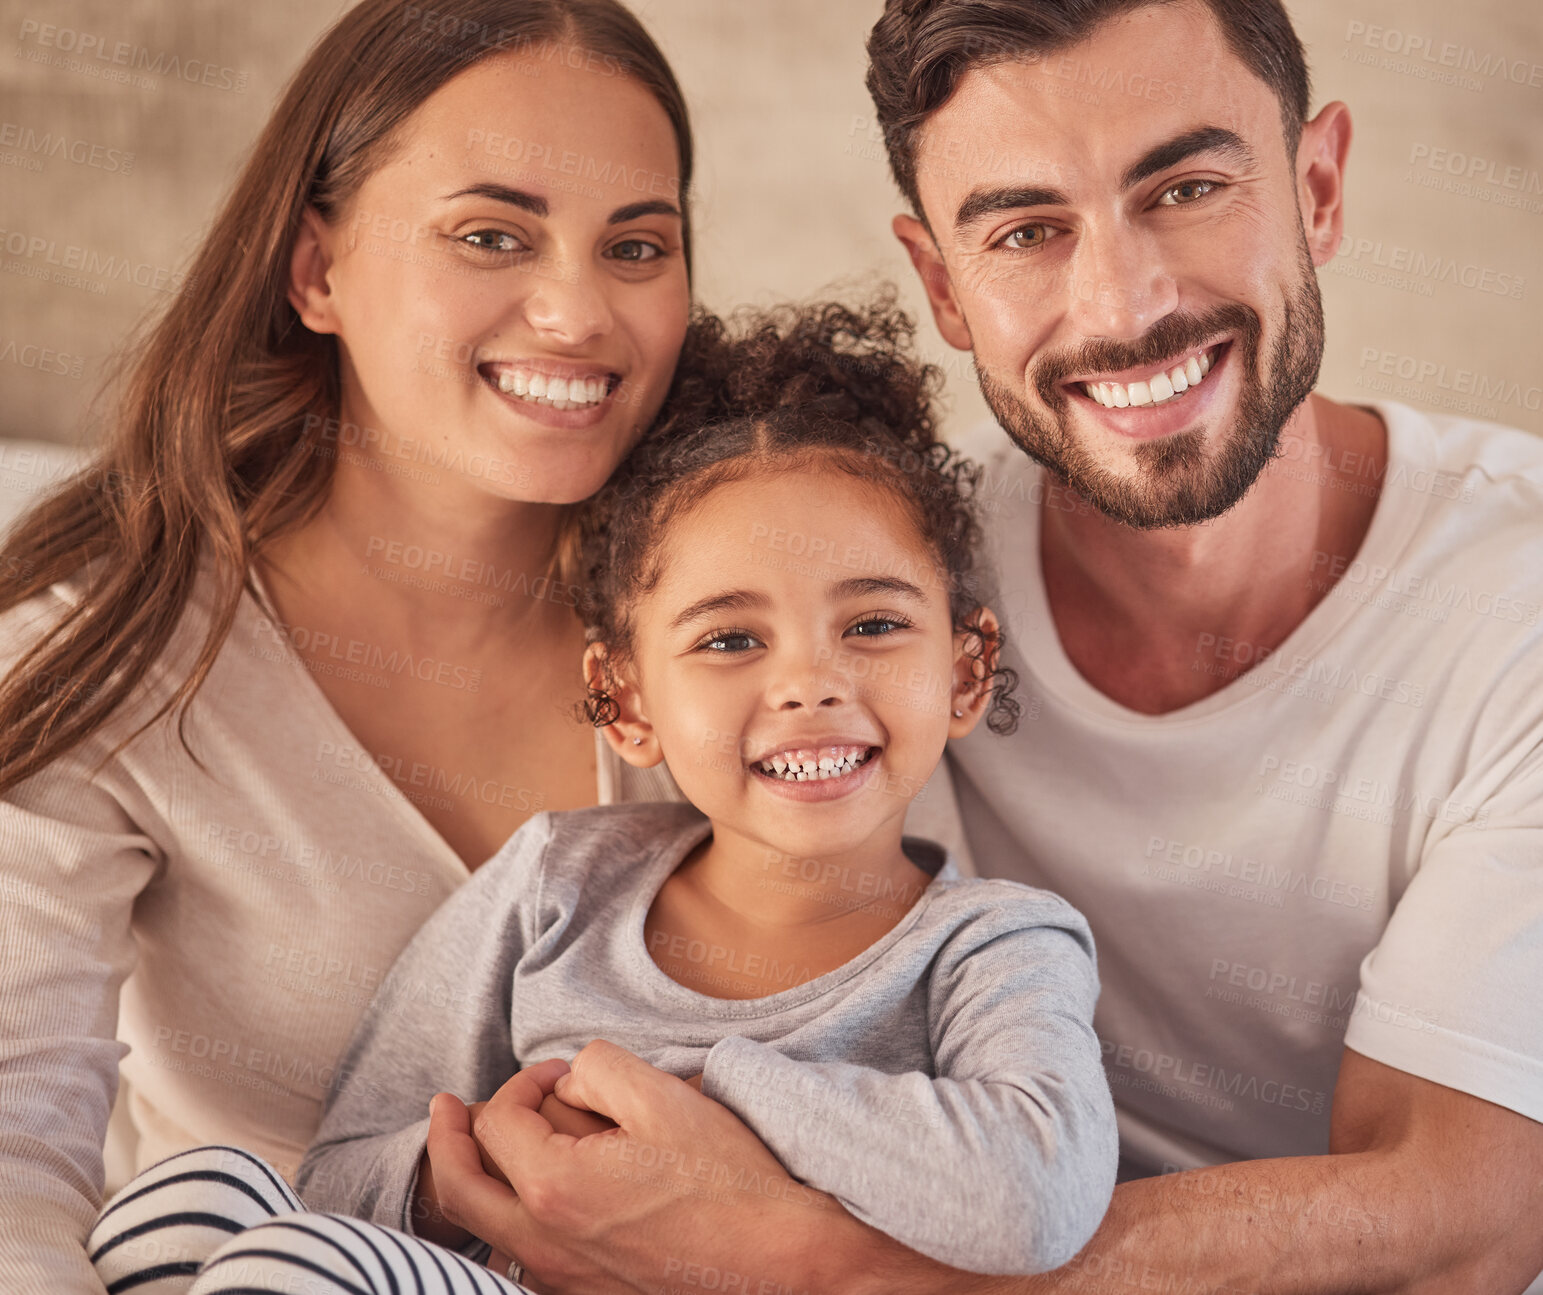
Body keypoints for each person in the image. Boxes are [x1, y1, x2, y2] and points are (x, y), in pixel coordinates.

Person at [415, 1, 1543, 1292]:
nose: (1122, 302)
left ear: (1317, 186)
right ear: (941, 284)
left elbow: (1461, 1220)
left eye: (1182, 186)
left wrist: (805, 1255)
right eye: (1023, 230)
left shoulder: (1512, 603)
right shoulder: (867, 590)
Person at [82, 298, 1119, 1295]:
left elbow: (1037, 1193)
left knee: (289, 1268)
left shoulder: (997, 943)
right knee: (196, 1201)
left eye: (875, 625)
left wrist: (719, 1092)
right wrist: (465, 1177)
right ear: (623, 700)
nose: (809, 682)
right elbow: (339, 1170)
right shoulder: (556, 882)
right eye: (729, 639)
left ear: (966, 672)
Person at [0, 2, 699, 1291]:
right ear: (315, 270)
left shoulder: (727, 616)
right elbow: (11, 1147)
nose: (576, 311)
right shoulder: (115, 646)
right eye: (492, 234)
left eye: (637, 246)